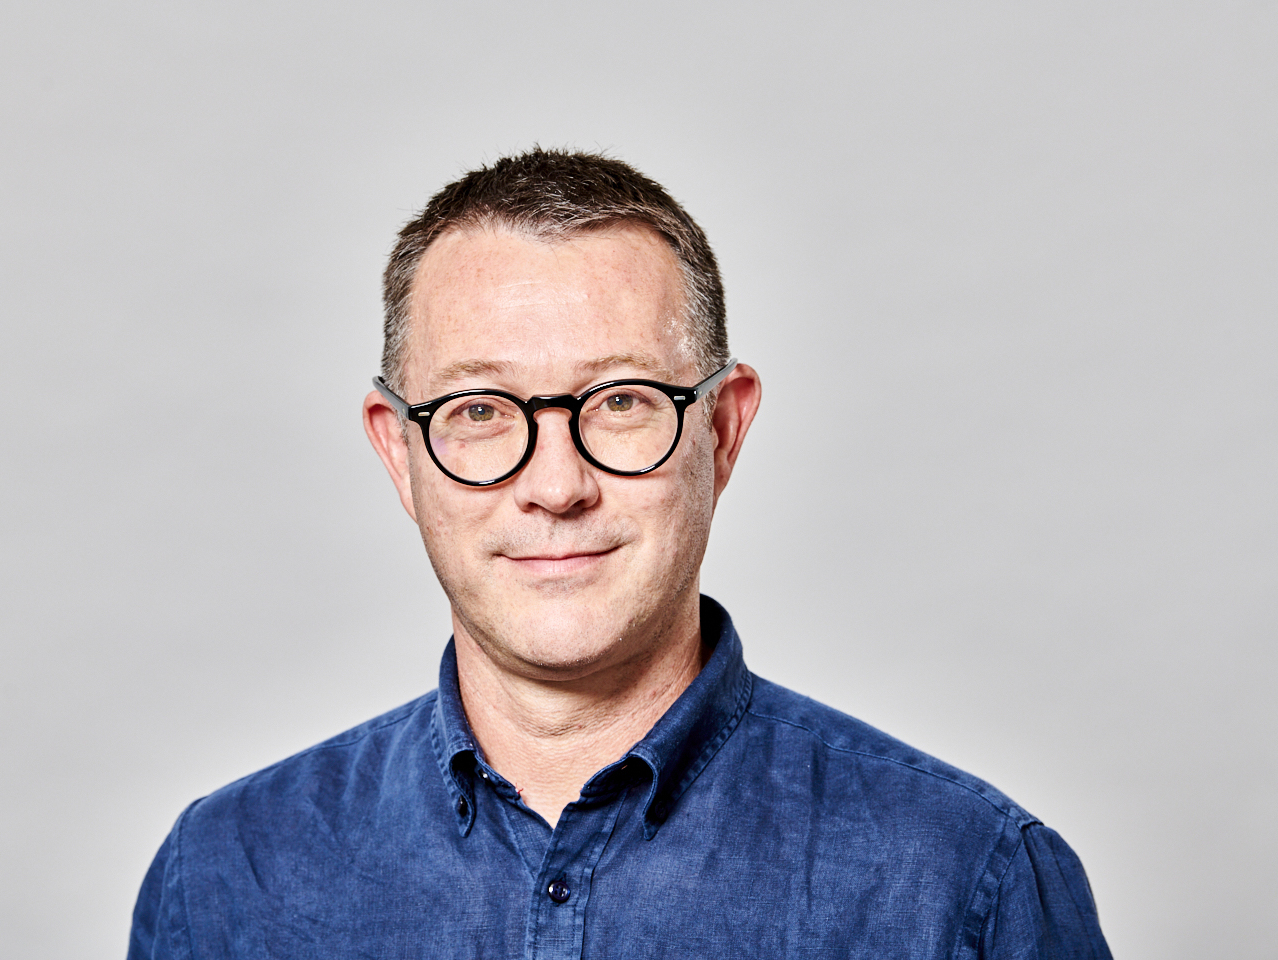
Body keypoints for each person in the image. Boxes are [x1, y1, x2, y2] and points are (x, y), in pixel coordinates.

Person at [128, 149, 1111, 959]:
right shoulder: (225, 879)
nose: (556, 486)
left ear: (722, 432)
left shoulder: (965, 882)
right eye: (478, 410)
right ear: (399, 449)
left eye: (622, 402)